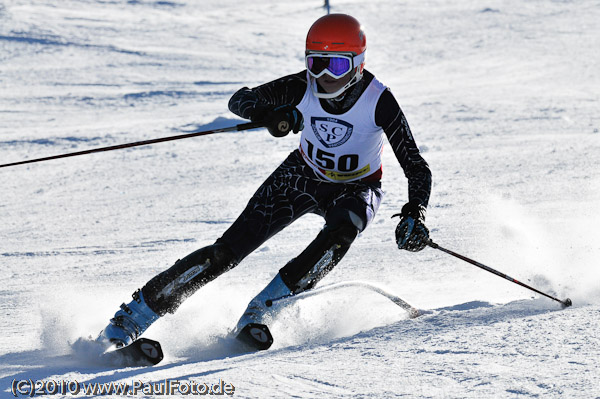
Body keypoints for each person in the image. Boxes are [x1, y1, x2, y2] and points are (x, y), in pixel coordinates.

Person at [97, 13, 432, 351]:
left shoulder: (379, 101)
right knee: (226, 252)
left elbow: (416, 166)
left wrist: (414, 212)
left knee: (340, 234)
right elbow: (241, 100)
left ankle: (262, 312)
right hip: (300, 176)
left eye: (338, 67)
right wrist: (274, 114)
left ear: (358, 64)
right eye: (316, 64)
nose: (325, 77)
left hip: (357, 188)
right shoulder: (303, 85)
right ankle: (130, 319)